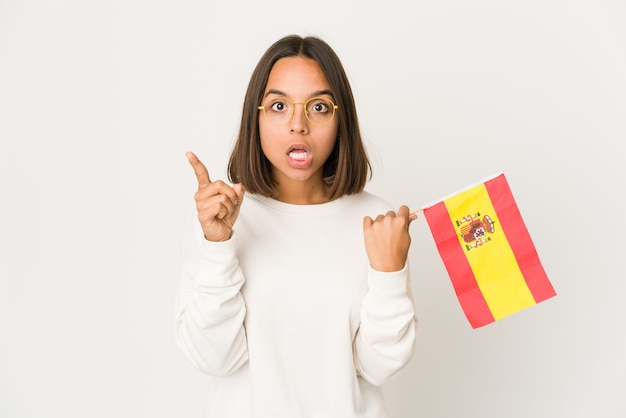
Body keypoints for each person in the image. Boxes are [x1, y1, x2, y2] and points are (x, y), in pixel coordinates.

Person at [175, 34, 418, 417]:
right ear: (254, 118)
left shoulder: (375, 221)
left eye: (319, 106)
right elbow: (214, 359)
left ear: (342, 120)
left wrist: (389, 275)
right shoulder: (220, 217)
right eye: (278, 106)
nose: (298, 125)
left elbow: (378, 367)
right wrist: (219, 246)